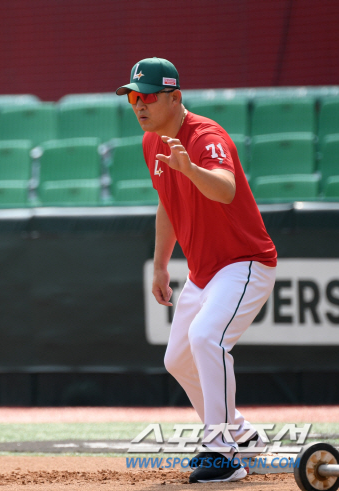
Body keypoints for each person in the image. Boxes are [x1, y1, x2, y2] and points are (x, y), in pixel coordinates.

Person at [116, 58, 277, 483]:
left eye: (147, 95)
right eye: (133, 96)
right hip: (204, 272)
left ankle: (221, 451)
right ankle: (241, 435)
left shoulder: (206, 136)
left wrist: (191, 168)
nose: (139, 104)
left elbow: (225, 189)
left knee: (206, 337)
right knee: (177, 359)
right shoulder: (153, 141)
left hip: (245, 263)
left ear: (175, 97)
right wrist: (161, 264)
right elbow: (167, 203)